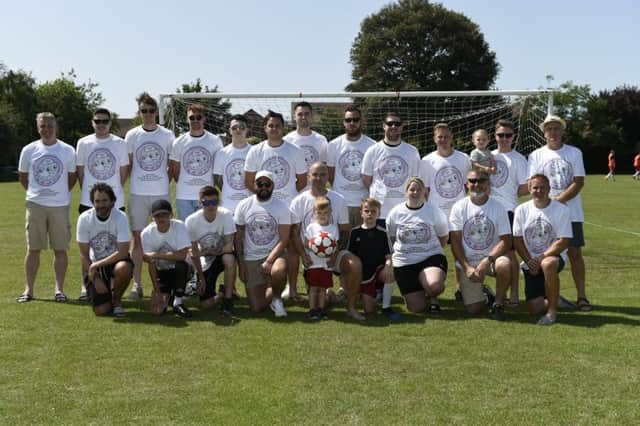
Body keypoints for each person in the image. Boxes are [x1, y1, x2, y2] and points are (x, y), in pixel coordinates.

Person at [528, 115, 592, 311]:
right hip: (545, 215)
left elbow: (578, 181)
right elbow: (533, 183)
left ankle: (582, 296)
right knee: (546, 256)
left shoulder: (574, 153)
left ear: (562, 131)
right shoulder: (536, 155)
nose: (553, 133)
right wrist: (549, 204)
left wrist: (558, 200)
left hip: (571, 213)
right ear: (544, 132)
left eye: (556, 129)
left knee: (574, 253)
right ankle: (550, 296)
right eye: (549, 129)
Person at [290, 162, 365, 320]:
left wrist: (334, 254)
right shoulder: (298, 201)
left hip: (333, 254)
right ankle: (331, 297)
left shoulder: (338, 199)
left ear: (328, 177)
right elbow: (295, 233)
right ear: (309, 176)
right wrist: (304, 255)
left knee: (355, 264)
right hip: (311, 258)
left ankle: (351, 308)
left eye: (323, 174)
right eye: (315, 174)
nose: (318, 178)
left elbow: (344, 231)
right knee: (318, 293)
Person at [17, 112, 76, 303]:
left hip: (59, 206)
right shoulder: (28, 150)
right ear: (38, 127)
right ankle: (29, 290)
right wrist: (39, 193)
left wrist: (57, 194)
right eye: (43, 126)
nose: (46, 129)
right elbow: (23, 177)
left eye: (50, 125)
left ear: (56, 127)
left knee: (60, 249)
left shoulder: (67, 150)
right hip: (35, 205)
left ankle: (59, 290)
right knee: (33, 249)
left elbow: (71, 178)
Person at [75, 108, 129, 301]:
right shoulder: (83, 143)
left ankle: (113, 284)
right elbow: (81, 172)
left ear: (110, 123)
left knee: (112, 245)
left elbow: (123, 172)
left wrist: (110, 194)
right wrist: (93, 195)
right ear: (92, 122)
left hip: (114, 202)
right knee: (87, 247)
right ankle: (86, 284)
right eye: (97, 121)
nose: (101, 124)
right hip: (89, 202)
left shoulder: (120, 143)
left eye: (105, 121)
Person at [125, 92, 175, 301]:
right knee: (137, 240)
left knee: (161, 240)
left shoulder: (167, 135)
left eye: (151, 111)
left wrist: (162, 182)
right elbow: (128, 165)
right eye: (143, 111)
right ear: (139, 113)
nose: (147, 114)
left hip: (160, 194)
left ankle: (162, 285)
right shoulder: (132, 135)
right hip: (137, 193)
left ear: (156, 112)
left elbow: (172, 166)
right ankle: (137, 285)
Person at [449, 170, 512, 321]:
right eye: (472, 181)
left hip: (491, 260)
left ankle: (498, 304)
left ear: (489, 184)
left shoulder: (498, 207)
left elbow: (506, 240)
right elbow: (455, 241)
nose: (477, 184)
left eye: (482, 180)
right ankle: (485, 295)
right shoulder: (458, 207)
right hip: (469, 262)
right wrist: (466, 267)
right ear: (466, 185)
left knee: (504, 264)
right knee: (473, 309)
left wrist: (486, 261)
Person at [513, 174, 572, 325]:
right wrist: (529, 261)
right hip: (530, 262)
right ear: (529, 189)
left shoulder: (561, 209)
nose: (539, 191)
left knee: (548, 264)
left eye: (543, 188)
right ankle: (554, 297)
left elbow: (563, 241)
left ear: (549, 189)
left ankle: (552, 312)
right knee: (533, 309)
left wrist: (541, 258)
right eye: (535, 187)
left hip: (552, 257)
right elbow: (517, 240)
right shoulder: (521, 210)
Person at [422, 122, 471, 304]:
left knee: (461, 253)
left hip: (459, 215)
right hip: (437, 216)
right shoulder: (426, 161)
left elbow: (468, 185)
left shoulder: (463, 159)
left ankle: (461, 288)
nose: (443, 140)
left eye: (446, 136)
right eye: (439, 137)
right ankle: (429, 288)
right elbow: (425, 191)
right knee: (433, 252)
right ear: (435, 138)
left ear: (452, 137)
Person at [386, 177, 449, 313]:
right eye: (412, 189)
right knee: (416, 308)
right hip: (405, 262)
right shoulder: (396, 212)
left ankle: (432, 296)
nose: (415, 192)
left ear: (425, 191)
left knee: (434, 286)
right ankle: (419, 292)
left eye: (419, 189)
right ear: (406, 192)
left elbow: (443, 236)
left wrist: (430, 250)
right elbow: (391, 237)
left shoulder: (433, 211)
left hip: (430, 257)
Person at [234, 171, 291, 317]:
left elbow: (284, 239)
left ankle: (277, 299)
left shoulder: (282, 207)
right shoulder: (243, 205)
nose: (263, 187)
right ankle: (272, 287)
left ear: (273, 186)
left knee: (278, 270)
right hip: (251, 257)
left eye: (267, 184)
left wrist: (269, 261)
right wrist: (241, 264)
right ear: (254, 185)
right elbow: (238, 236)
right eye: (260, 184)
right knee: (256, 307)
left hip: (274, 255)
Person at [76, 183, 133, 316]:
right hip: (94, 266)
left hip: (114, 261)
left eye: (105, 201)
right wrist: (95, 279)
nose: (101, 205)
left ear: (113, 202)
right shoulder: (84, 219)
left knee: (124, 268)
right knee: (102, 311)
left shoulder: (120, 217)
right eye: (97, 201)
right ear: (92, 202)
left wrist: (96, 265)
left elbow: (123, 252)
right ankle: (107, 296)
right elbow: (83, 254)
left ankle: (117, 300)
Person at [490, 119, 529, 307]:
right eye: (500, 135)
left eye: (508, 135)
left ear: (513, 137)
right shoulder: (487, 156)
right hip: (488, 212)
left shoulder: (519, 159)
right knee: (492, 253)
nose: (504, 139)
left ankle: (514, 293)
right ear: (495, 136)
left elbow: (525, 187)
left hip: (509, 212)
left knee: (511, 255)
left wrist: (509, 192)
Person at [361, 112, 423, 222]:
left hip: (404, 212)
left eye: (397, 124)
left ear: (402, 126)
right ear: (384, 126)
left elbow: (415, 181)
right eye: (390, 124)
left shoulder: (412, 151)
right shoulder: (372, 151)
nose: (393, 126)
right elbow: (367, 180)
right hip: (379, 213)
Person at [185, 186, 237, 315]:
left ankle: (228, 300)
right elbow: (194, 253)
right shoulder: (191, 221)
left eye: (214, 202)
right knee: (205, 304)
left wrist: (213, 252)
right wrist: (201, 278)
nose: (210, 206)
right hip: (205, 260)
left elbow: (229, 245)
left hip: (221, 255)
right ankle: (222, 293)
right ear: (200, 203)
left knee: (229, 259)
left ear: (218, 202)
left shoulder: (226, 215)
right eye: (206, 202)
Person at [347, 198, 400, 319]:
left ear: (379, 213)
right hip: (360, 275)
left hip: (376, 273)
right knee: (369, 310)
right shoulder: (355, 232)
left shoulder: (382, 233)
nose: (370, 214)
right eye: (366, 211)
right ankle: (369, 294)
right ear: (361, 213)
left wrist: (388, 266)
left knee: (391, 273)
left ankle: (386, 307)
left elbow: (389, 255)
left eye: (373, 211)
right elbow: (350, 256)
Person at [169, 104, 223, 220]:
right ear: (187, 119)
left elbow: (217, 169)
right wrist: (188, 182)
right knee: (186, 233)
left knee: (206, 232)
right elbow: (175, 170)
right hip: (184, 197)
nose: (195, 120)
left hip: (207, 197)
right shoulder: (178, 142)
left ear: (204, 119)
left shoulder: (215, 141)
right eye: (191, 118)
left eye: (198, 117)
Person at [141, 199, 192, 318]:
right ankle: (168, 296)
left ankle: (178, 302)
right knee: (157, 311)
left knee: (181, 265)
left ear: (171, 215)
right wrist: (157, 290)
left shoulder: (179, 226)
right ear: (152, 217)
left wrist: (156, 254)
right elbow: (151, 263)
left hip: (180, 269)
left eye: (164, 214)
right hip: (161, 272)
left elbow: (181, 256)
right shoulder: (146, 233)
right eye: (157, 215)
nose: (161, 218)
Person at [327, 105, 376, 229]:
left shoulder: (372, 145)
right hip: (341, 203)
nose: (352, 123)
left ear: (361, 121)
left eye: (355, 119)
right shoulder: (333, 145)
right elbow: (331, 176)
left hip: (364, 205)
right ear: (344, 123)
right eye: (348, 120)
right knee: (341, 244)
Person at [244, 110, 307, 202]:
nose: (274, 129)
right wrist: (265, 197)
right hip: (264, 205)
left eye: (278, 126)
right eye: (271, 126)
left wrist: (288, 194)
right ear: (265, 128)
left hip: (288, 205)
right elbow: (249, 182)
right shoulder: (255, 151)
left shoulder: (296, 151)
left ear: (283, 128)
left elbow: (302, 182)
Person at [300, 197, 339, 320]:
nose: (322, 215)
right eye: (319, 212)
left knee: (323, 288)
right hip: (313, 264)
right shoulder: (311, 228)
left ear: (330, 212)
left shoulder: (333, 228)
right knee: (313, 288)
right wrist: (315, 246)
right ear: (314, 213)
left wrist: (332, 257)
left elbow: (335, 246)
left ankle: (321, 309)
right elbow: (306, 243)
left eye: (325, 213)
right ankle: (312, 310)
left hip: (326, 265)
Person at [213, 114, 252, 212]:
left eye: (242, 127)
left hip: (250, 206)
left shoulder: (254, 152)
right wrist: (230, 189)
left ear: (246, 130)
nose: (238, 130)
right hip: (228, 206)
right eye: (234, 128)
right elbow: (218, 179)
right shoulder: (222, 153)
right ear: (230, 131)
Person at [284, 101, 328, 188]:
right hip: (294, 191)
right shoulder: (286, 140)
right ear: (294, 117)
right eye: (300, 114)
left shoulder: (321, 140)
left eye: (307, 114)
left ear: (311, 116)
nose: (303, 117)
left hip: (315, 190)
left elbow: (325, 167)